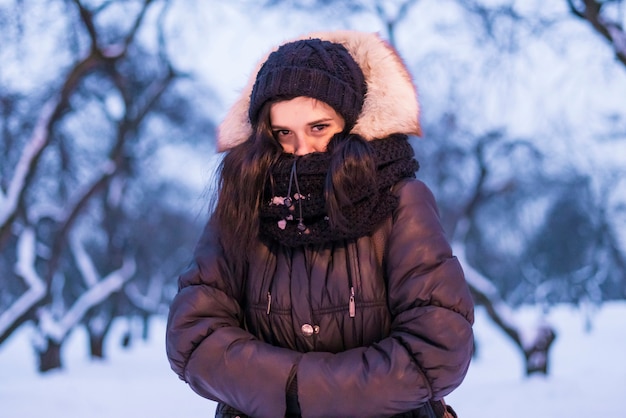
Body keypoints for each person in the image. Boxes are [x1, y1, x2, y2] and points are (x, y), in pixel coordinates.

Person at [166, 30, 474, 418]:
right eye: (284, 134)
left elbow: (437, 348)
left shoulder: (401, 201)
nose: (302, 149)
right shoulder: (242, 202)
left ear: (349, 122)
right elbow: (194, 336)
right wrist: (291, 386)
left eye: (319, 128)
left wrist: (300, 389)